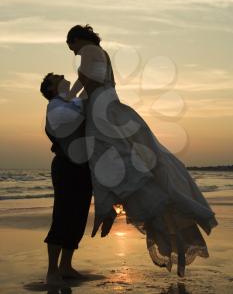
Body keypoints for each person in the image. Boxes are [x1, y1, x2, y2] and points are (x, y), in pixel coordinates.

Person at [64, 24, 218, 278]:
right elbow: (86, 83)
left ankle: (109, 207)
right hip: (107, 105)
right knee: (130, 167)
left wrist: (68, 100)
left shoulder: (90, 51)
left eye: (72, 46)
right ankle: (115, 208)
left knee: (107, 161)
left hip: (102, 111)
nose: (72, 52)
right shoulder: (97, 52)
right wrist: (71, 98)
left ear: (78, 39)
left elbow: (88, 81)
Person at [40, 73, 93, 285]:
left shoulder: (73, 101)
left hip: (82, 167)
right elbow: (73, 120)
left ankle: (66, 266)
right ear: (52, 89)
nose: (62, 75)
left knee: (79, 217)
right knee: (62, 215)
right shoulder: (55, 105)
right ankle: (52, 270)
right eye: (56, 77)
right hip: (65, 166)